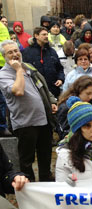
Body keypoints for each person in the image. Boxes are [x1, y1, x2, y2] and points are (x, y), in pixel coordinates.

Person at [0, 40, 58, 182]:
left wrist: (51, 101)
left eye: (16, 51)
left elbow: (41, 86)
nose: (15, 54)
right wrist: (18, 70)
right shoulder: (4, 74)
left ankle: (47, 185)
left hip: (43, 119)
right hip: (25, 123)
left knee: (45, 156)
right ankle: (30, 189)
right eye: (10, 52)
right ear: (4, 56)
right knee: (26, 161)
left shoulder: (28, 67)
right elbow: (18, 91)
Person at [22, 27, 65, 97]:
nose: (46, 36)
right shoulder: (27, 52)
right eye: (44, 34)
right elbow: (24, 71)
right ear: (36, 36)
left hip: (53, 89)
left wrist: (60, 79)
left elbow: (59, 68)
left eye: (47, 34)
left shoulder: (52, 51)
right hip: (37, 91)